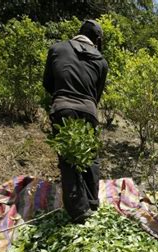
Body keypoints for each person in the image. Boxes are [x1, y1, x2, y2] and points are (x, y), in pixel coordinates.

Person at [43, 20, 108, 223]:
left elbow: (47, 83)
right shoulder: (101, 61)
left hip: (63, 107)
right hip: (89, 110)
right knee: (90, 157)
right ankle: (91, 202)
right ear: (96, 40)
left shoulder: (57, 48)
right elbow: (96, 94)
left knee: (69, 159)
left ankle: (79, 212)